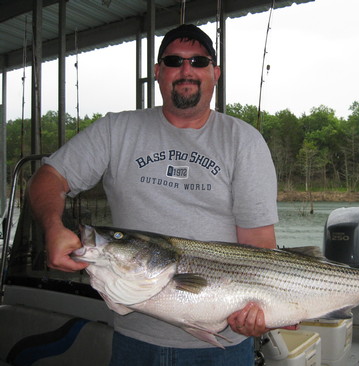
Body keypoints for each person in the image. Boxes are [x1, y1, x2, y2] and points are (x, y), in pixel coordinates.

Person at [27, 24, 281, 365]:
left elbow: (259, 245)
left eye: (199, 61)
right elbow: (48, 177)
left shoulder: (245, 141)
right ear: (158, 72)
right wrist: (53, 226)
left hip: (224, 346)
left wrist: (256, 310)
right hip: (135, 340)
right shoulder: (116, 130)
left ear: (215, 73)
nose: (186, 70)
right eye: (174, 61)